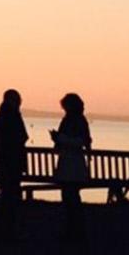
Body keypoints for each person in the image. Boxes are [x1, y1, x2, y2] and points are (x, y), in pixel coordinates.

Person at [53, 91, 91, 241]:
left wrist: (59, 138)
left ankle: (74, 229)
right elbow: (84, 141)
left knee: (71, 197)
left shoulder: (73, 120)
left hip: (71, 166)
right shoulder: (78, 120)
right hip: (72, 166)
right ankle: (74, 228)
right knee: (70, 197)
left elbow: (79, 141)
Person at [0, 88, 28, 241]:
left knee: (7, 194)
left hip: (3, 160)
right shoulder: (13, 116)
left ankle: (4, 228)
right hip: (12, 161)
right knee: (11, 195)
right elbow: (23, 136)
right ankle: (9, 229)